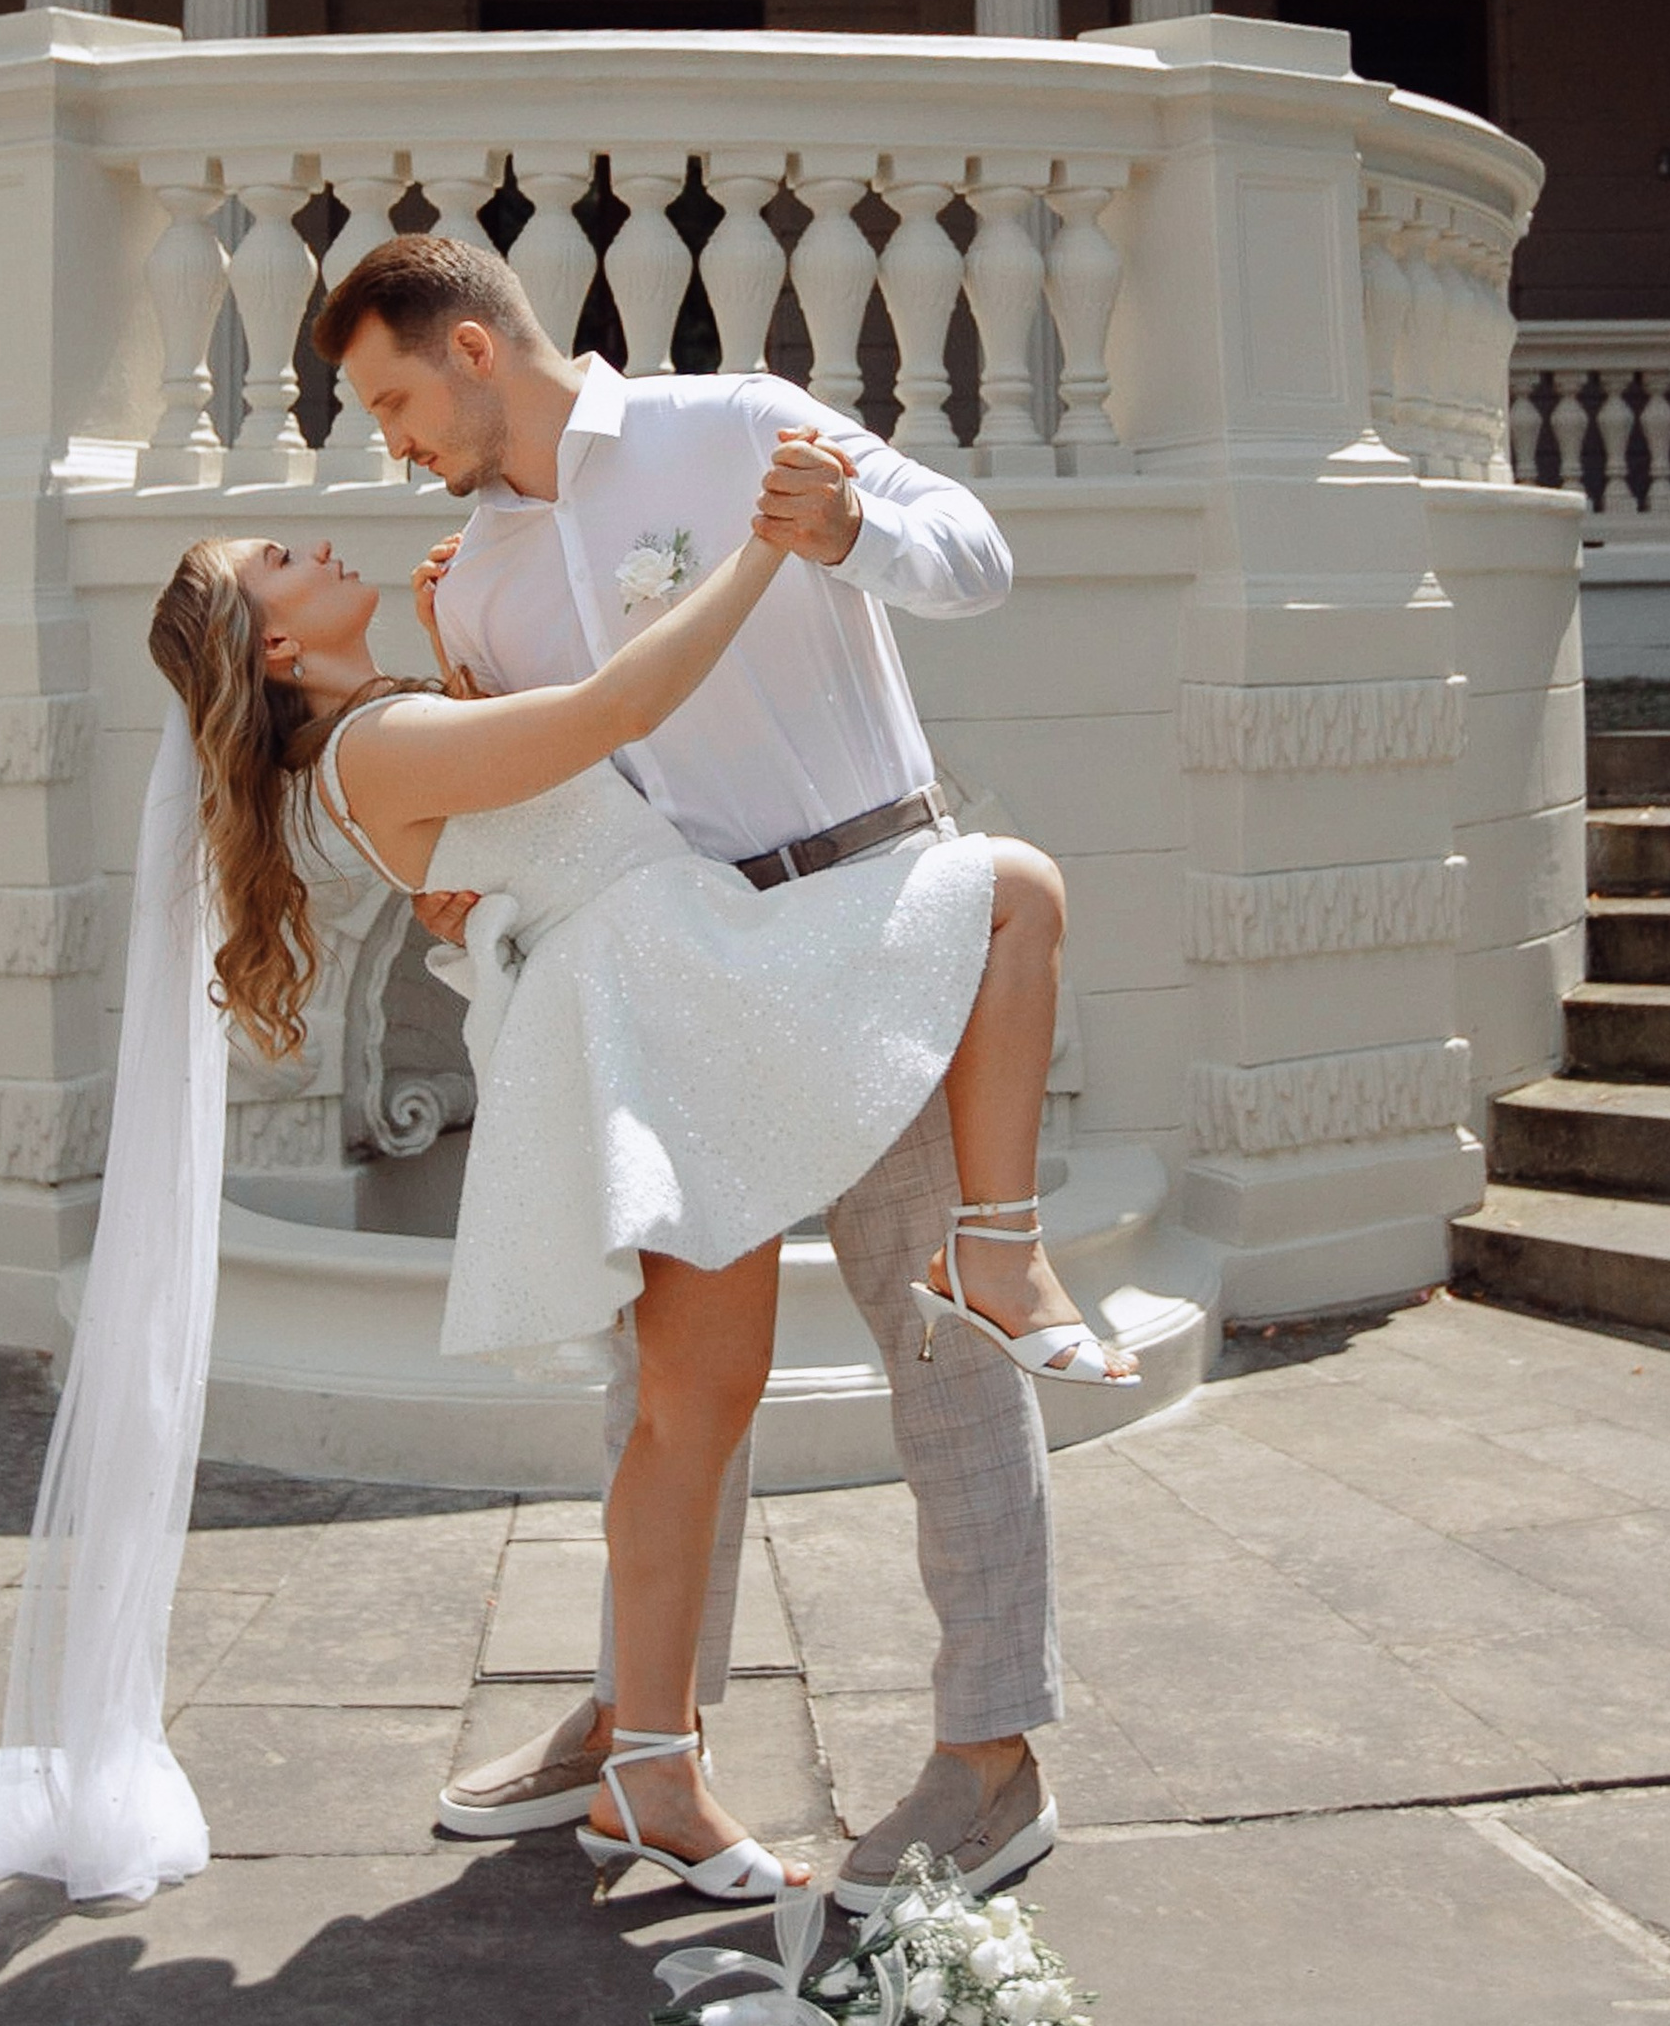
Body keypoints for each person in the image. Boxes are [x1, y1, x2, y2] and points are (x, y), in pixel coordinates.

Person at [309, 231, 1134, 1918]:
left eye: (393, 400)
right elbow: (557, 799)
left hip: (878, 915)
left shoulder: (737, 419)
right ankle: (644, 1723)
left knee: (945, 1348)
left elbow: (976, 555)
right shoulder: (471, 582)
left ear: (472, 348)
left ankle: (991, 1759)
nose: (388, 442)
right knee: (669, 1390)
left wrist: (851, 533)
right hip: (692, 977)